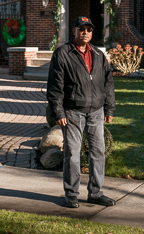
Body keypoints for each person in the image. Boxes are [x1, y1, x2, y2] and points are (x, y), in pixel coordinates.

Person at [46, 16, 116, 208]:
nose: (85, 32)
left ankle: (95, 193)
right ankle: (72, 193)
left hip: (96, 112)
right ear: (74, 31)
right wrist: (58, 112)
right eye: (81, 29)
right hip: (73, 112)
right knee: (73, 154)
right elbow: (54, 86)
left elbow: (108, 84)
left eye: (89, 29)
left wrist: (109, 108)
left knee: (98, 152)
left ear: (92, 32)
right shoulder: (62, 53)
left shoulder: (99, 55)